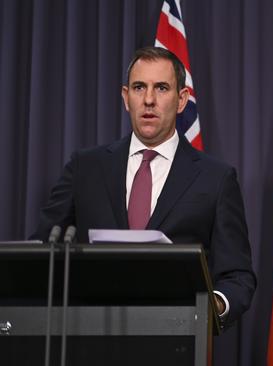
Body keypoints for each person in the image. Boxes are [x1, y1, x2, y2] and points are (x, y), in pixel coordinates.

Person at [31, 46, 256, 327]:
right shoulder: (85, 168)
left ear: (182, 99)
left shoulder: (216, 179)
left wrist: (212, 305)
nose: (149, 99)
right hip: (91, 337)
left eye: (161, 88)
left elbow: (238, 277)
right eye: (139, 87)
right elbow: (41, 253)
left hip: (177, 339)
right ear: (126, 98)